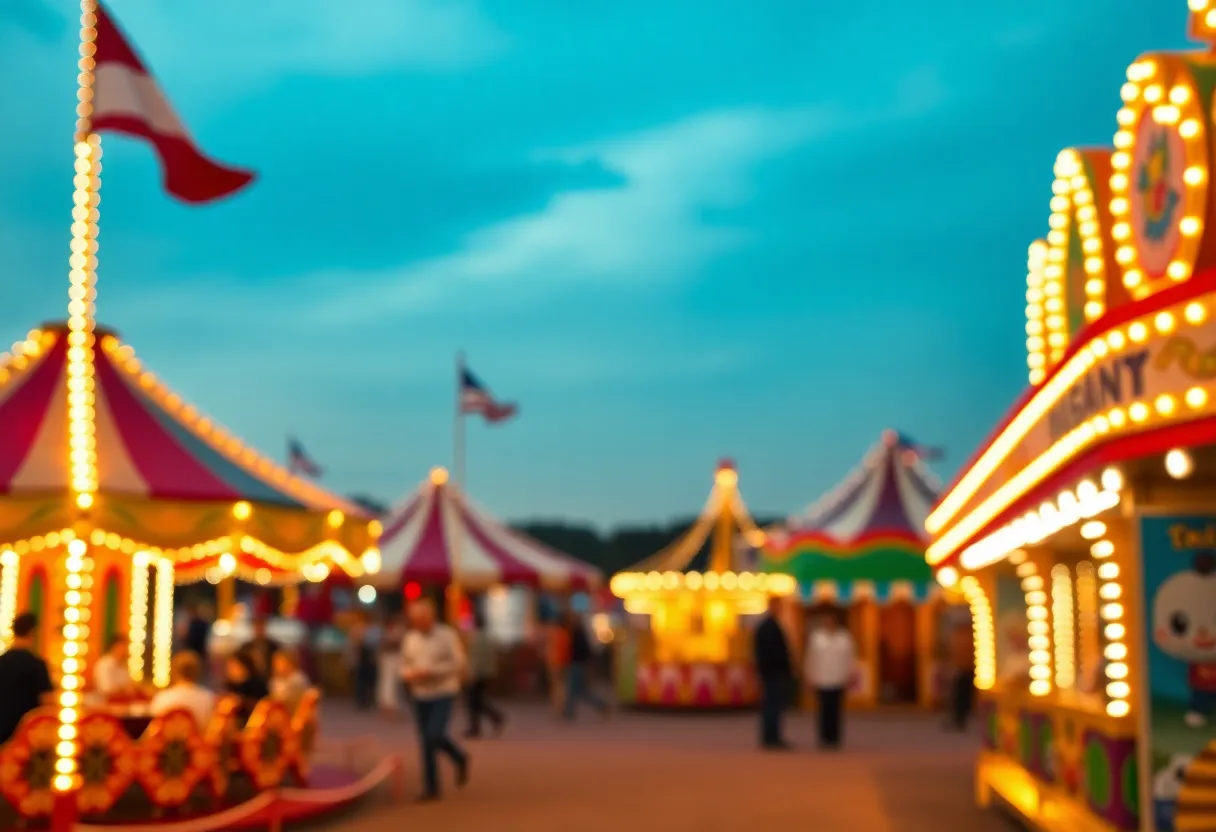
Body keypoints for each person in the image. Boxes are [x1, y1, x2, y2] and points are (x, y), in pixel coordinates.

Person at [401, 597, 468, 802]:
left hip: (443, 691)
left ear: (431, 617)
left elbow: (459, 663)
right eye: (415, 619)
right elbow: (405, 664)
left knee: (434, 734)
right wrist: (409, 674)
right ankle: (431, 786)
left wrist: (433, 672)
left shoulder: (447, 635)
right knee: (425, 741)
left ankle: (458, 757)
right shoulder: (410, 638)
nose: (419, 623)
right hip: (420, 694)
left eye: (422, 618)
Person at [804, 610, 857, 749]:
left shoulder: (845, 638)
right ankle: (824, 737)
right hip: (822, 678)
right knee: (823, 710)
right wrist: (810, 676)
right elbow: (811, 658)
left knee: (836, 710)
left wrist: (850, 674)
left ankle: (835, 737)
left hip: (838, 678)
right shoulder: (816, 638)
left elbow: (850, 658)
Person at [0, 613, 53, 744]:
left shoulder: (2, 661)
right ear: (33, 632)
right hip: (27, 733)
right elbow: (46, 700)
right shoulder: (37, 664)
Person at [753, 596, 794, 750]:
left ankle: (772, 736)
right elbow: (767, 653)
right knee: (772, 706)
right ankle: (771, 737)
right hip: (773, 673)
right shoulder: (768, 627)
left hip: (773, 672)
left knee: (774, 706)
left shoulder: (770, 625)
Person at [465, 612, 505, 737]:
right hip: (487, 672)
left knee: (473, 700)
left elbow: (476, 658)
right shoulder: (487, 637)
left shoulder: (477, 638)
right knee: (477, 700)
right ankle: (492, 718)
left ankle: (482, 723)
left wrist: (472, 672)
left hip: (478, 673)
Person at [150, 651, 216, 728]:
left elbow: (154, 727)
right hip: (199, 739)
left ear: (174, 671)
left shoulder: (162, 698)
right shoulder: (209, 698)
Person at [564, 611, 609, 720]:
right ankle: (600, 705)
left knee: (575, 690)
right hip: (577, 664)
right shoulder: (577, 633)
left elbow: (582, 650)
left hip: (577, 664)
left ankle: (569, 713)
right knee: (579, 690)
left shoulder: (577, 634)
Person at [945, 622, 975, 731]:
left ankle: (960, 718)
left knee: (962, 695)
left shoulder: (969, 640)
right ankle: (958, 718)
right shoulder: (962, 641)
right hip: (963, 670)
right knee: (958, 695)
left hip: (968, 670)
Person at [224, 653, 269, 722]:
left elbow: (262, 706)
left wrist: (242, 701)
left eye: (234, 667)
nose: (230, 671)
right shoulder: (230, 686)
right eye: (229, 668)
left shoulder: (256, 684)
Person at [378, 613, 407, 715]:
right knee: (387, 683)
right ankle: (387, 705)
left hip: (397, 658)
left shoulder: (400, 631)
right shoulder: (387, 631)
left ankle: (393, 705)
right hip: (388, 659)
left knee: (395, 684)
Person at [238, 616, 280, 684]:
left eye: (261, 627)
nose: (259, 630)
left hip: (271, 681)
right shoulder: (245, 648)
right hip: (250, 683)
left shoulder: (274, 647)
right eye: (257, 627)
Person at [92, 635, 136, 699]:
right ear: (115, 647)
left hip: (123, 701)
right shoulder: (104, 665)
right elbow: (106, 689)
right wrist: (124, 688)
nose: (126, 651)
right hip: (106, 703)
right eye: (124, 647)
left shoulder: (123, 666)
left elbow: (130, 687)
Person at [545, 614, 571, 714]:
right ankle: (559, 705)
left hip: (555, 662)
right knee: (560, 685)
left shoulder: (554, 634)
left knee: (557, 686)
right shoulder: (564, 634)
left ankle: (558, 706)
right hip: (561, 662)